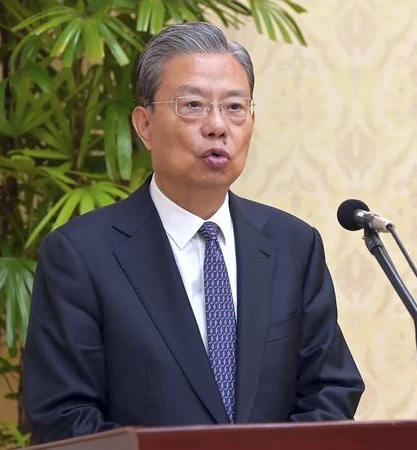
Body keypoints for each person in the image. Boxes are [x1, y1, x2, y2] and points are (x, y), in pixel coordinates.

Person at [23, 21, 364, 444]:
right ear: (144, 125)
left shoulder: (293, 245)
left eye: (235, 108)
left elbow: (330, 391)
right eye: (194, 106)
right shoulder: (80, 256)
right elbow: (64, 417)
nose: (218, 126)